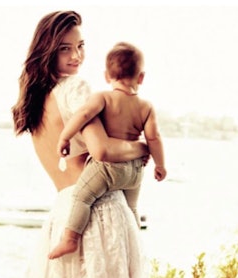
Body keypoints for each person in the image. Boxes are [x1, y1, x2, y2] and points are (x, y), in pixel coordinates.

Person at [11, 10, 163, 278]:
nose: (77, 57)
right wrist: (144, 149)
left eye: (81, 46)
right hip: (99, 215)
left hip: (63, 215)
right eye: (66, 49)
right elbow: (103, 150)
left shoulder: (33, 103)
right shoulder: (75, 89)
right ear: (47, 51)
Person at [48, 41, 167, 260]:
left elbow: (83, 115)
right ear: (141, 78)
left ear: (106, 76)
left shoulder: (103, 98)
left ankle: (69, 239)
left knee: (82, 197)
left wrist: (65, 137)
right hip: (134, 170)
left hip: (108, 168)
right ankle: (135, 244)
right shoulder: (146, 107)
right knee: (132, 207)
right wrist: (160, 165)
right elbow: (153, 137)